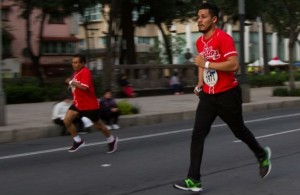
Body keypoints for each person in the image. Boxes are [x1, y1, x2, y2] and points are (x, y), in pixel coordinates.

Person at [173, 3, 271, 192]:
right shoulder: (200, 41)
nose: (199, 20)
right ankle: (194, 179)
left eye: (203, 17)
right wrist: (200, 82)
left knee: (239, 131)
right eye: (198, 17)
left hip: (228, 94)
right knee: (197, 134)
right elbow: (201, 64)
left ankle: (261, 154)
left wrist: (208, 62)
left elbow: (234, 65)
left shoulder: (223, 38)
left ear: (214, 19)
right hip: (209, 96)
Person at [64, 54, 118, 153]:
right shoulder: (76, 72)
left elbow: (85, 87)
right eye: (72, 62)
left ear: (83, 63)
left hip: (89, 106)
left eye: (76, 62)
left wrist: (71, 82)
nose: (73, 64)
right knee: (67, 120)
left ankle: (111, 139)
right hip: (78, 104)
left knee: (99, 126)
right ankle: (78, 141)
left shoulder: (86, 72)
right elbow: (75, 85)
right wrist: (71, 85)